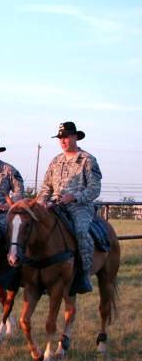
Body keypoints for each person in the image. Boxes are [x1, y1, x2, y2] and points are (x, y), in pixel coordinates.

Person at [37, 121, 102, 295]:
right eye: (60, 138)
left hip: (80, 206)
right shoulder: (56, 160)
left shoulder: (88, 160)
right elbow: (46, 188)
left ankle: (83, 275)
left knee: (81, 232)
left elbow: (94, 189)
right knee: (35, 227)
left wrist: (75, 197)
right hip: (56, 204)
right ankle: (35, 271)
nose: (63, 141)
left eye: (66, 137)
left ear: (75, 137)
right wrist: (42, 202)